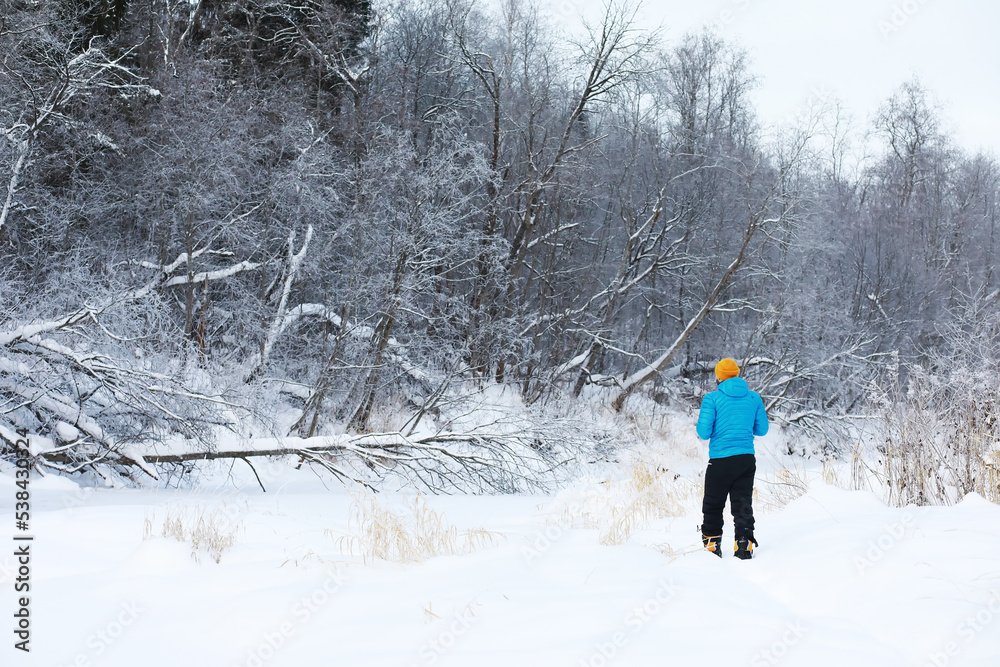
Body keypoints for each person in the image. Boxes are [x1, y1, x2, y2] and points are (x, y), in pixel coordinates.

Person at [696, 358, 768, 559]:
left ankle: (712, 547)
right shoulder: (754, 398)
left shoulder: (712, 399)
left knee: (713, 504)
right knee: (743, 503)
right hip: (745, 459)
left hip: (720, 460)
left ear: (718, 376)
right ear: (737, 374)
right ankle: (744, 546)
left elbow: (703, 432)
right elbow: (762, 430)